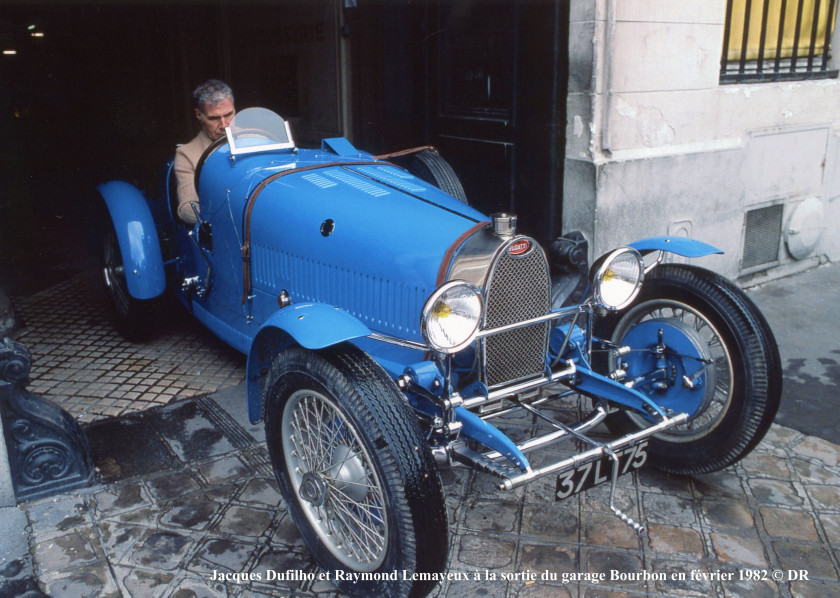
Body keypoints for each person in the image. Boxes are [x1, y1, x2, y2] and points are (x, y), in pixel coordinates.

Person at [174, 80, 236, 225]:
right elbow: (187, 208)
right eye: (214, 118)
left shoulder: (256, 140)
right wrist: (226, 219)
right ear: (198, 115)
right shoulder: (187, 154)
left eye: (228, 114)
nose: (224, 124)